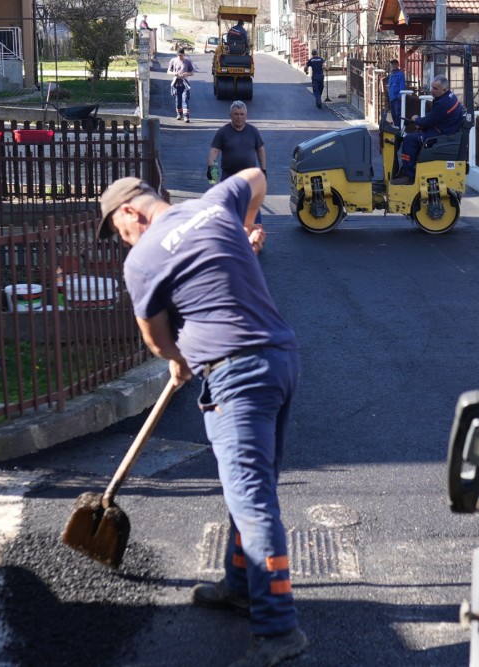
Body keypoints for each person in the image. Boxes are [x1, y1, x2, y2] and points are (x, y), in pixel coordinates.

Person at [96, 171, 307, 667]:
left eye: (119, 231)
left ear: (131, 212)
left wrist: (177, 359)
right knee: (250, 488)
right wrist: (245, 232)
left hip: (236, 375)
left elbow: (155, 337)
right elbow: (256, 177)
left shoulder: (142, 260)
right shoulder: (214, 205)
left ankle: (279, 630)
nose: (122, 242)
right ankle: (240, 587)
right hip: (280, 359)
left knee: (252, 500)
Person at [390, 74, 464, 185]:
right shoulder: (450, 97)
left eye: (435, 88)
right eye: (432, 87)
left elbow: (428, 121)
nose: (432, 91)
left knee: (409, 140)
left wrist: (417, 119)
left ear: (444, 89)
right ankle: (410, 168)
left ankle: (409, 175)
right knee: (416, 135)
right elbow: (435, 118)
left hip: (440, 136)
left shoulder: (442, 104)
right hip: (445, 130)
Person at [208, 101, 267, 182]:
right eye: (236, 114)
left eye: (242, 114)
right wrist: (212, 170)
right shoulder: (222, 132)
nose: (239, 117)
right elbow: (214, 151)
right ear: (230, 116)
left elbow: (260, 150)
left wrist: (263, 170)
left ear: (246, 116)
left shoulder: (253, 131)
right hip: (228, 177)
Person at [168, 48, 195, 122]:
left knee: (185, 99)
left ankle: (186, 116)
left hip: (184, 83)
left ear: (184, 54)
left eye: (181, 55)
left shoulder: (187, 62)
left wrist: (186, 73)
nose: (180, 57)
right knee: (177, 100)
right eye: (179, 55)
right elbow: (168, 71)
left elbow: (192, 72)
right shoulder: (173, 61)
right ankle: (179, 114)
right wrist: (174, 73)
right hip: (176, 84)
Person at [386, 59, 406, 127]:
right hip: (391, 98)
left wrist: (399, 96)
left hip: (397, 99)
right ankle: (396, 126)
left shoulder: (400, 75)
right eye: (392, 64)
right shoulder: (391, 74)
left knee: (398, 114)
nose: (393, 65)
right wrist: (389, 95)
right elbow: (390, 85)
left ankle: (399, 127)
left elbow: (402, 86)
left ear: (398, 65)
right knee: (393, 114)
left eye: (395, 64)